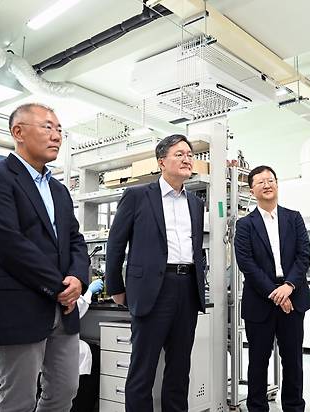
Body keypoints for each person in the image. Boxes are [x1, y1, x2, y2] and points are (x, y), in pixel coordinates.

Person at [0, 103, 90, 412]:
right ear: (18, 132)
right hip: (21, 304)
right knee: (19, 399)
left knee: (64, 390)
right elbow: (8, 244)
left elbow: (75, 240)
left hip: (64, 308)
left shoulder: (59, 190)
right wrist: (60, 286)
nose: (57, 136)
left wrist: (78, 278)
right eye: (47, 127)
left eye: (59, 129)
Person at [105, 134, 206, 412]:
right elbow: (116, 243)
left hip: (187, 290)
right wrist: (115, 287)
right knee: (143, 369)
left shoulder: (196, 203)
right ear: (162, 162)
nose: (187, 159)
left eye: (189, 154)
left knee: (179, 368)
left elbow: (196, 248)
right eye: (179, 154)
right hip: (151, 290)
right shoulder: (138, 196)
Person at [234, 165, 310, 412]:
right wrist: (275, 292)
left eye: (271, 180)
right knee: (258, 360)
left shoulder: (294, 217)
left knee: (293, 360)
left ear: (277, 184)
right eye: (260, 182)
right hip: (261, 299)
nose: (267, 185)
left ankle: (294, 406)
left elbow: (304, 256)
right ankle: (256, 407)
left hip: (293, 295)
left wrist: (288, 286)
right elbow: (246, 263)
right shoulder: (245, 224)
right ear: (251, 189)